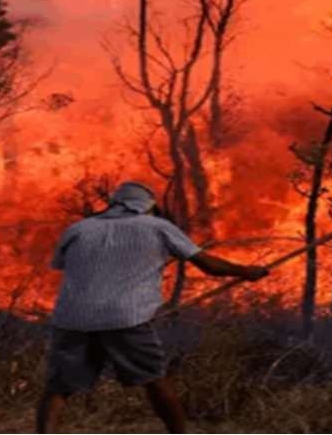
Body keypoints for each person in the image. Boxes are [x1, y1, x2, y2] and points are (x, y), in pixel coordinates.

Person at [37, 181, 269, 434]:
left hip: (72, 318)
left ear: (114, 203)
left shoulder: (79, 229)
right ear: (146, 206)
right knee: (155, 380)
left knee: (60, 386)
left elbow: (62, 265)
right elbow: (208, 265)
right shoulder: (157, 226)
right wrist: (246, 272)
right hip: (125, 318)